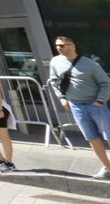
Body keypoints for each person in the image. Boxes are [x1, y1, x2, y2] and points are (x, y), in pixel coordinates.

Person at [48, 36, 110, 179]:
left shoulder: (90, 64)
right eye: (57, 45)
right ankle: (107, 167)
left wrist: (100, 100)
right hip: (76, 106)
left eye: (63, 45)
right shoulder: (55, 62)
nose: (59, 48)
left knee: (108, 135)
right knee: (91, 138)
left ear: (73, 45)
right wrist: (62, 98)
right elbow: (54, 81)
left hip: (95, 105)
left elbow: (106, 83)